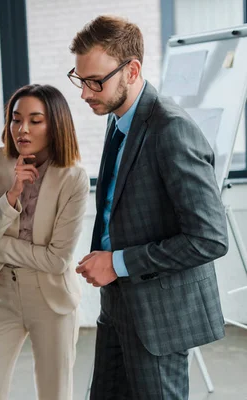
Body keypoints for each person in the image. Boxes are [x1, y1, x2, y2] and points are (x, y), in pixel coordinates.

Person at [69, 16, 229, 399]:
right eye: (80, 79)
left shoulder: (171, 130)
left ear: (132, 70)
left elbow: (209, 239)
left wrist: (118, 262)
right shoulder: (118, 119)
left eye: (95, 81)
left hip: (160, 315)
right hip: (118, 303)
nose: (85, 93)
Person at [0, 84, 89, 400]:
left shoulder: (73, 177)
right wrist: (11, 195)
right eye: (16, 119)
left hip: (53, 299)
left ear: (55, 125)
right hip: (4, 295)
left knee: (55, 394)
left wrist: (0, 246)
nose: (22, 129)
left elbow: (57, 260)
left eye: (35, 120)